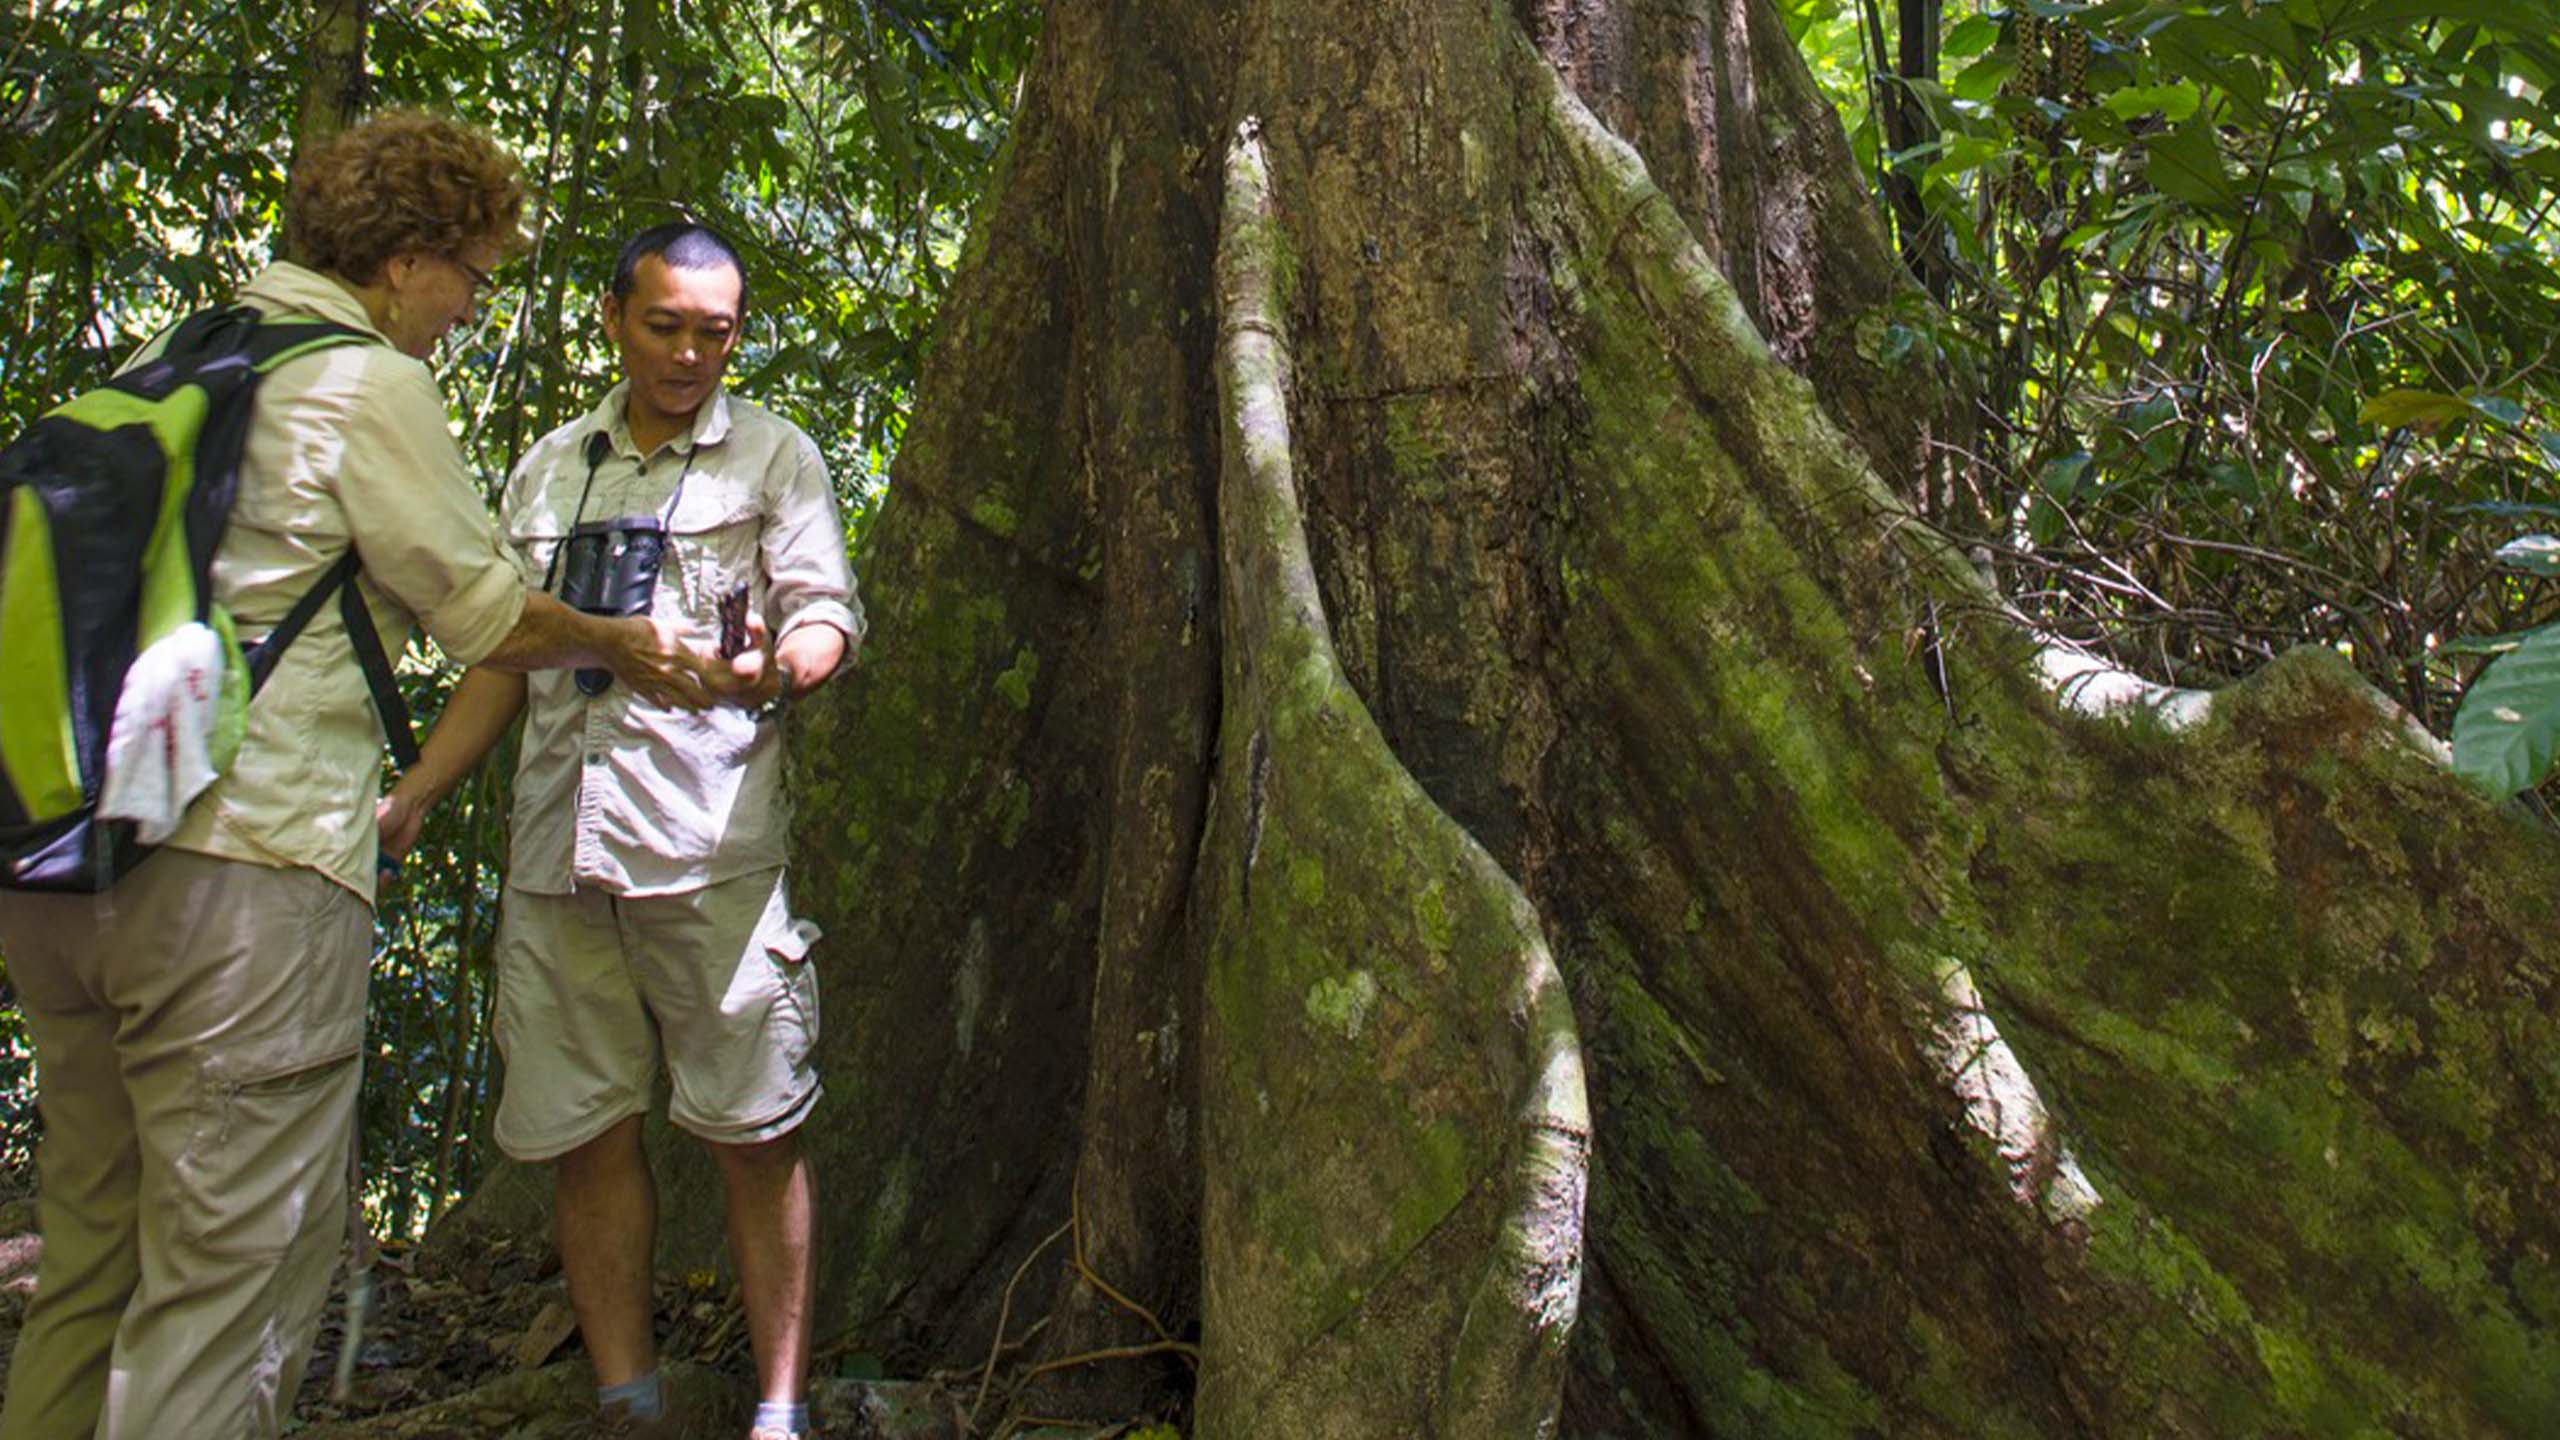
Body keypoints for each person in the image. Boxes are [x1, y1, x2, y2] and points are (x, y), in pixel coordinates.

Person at [0, 113, 740, 1440]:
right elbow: (489, 616)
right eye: (469, 273)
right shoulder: (359, 384)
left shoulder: (176, 355)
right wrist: (619, 640)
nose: (466, 308)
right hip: (244, 881)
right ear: (405, 263)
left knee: (92, 1256)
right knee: (225, 1289)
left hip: (62, 862)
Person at [378, 222, 859, 1440]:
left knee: (756, 1132)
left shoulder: (773, 458)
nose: (691, 352)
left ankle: (780, 1413)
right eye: (666, 325)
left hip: (710, 852)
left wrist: (776, 673)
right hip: (557, 856)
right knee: (582, 1131)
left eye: (716, 331)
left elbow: (824, 618)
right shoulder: (548, 468)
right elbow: (503, 655)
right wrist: (417, 792)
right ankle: (626, 1403)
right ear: (613, 317)